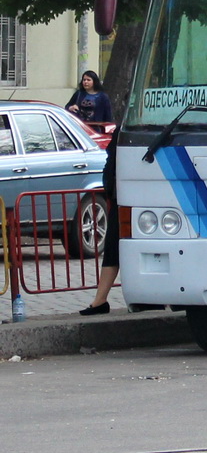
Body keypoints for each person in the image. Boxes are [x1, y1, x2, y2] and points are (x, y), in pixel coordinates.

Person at [80, 129, 119, 315]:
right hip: (123, 196)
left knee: (115, 249)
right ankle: (100, 300)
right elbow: (112, 160)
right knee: (112, 249)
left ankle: (100, 300)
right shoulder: (127, 129)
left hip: (132, 194)